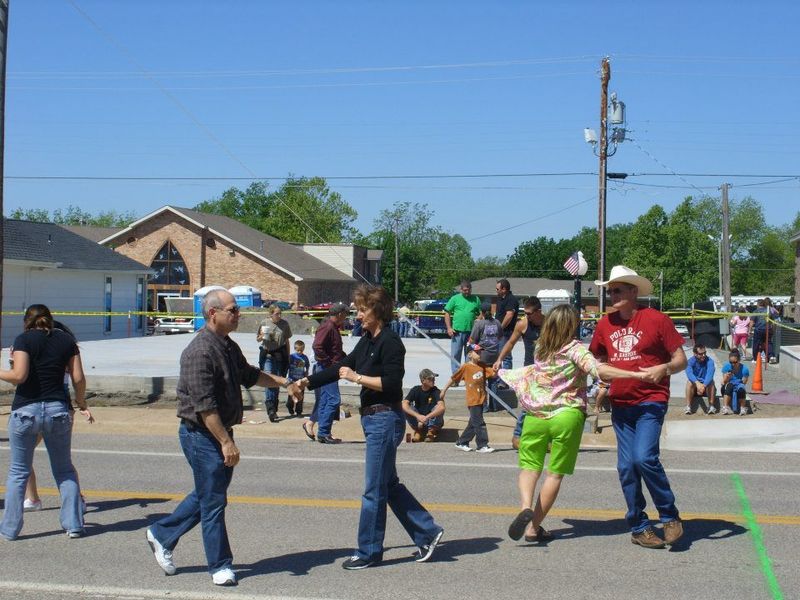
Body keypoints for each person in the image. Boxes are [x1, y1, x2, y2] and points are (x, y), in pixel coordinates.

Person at [145, 290, 298, 586]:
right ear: (213, 313)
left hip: (218, 432)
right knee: (214, 501)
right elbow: (204, 407)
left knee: (208, 495)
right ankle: (220, 565)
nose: (238, 314)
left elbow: (249, 375)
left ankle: (162, 533)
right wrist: (226, 442)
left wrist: (284, 382)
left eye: (237, 310)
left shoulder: (227, 345)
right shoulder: (199, 352)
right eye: (233, 310)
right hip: (201, 435)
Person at [292, 284, 444, 570]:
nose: (357, 314)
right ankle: (428, 531)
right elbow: (341, 367)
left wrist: (357, 378)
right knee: (388, 484)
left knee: (373, 489)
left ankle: (369, 552)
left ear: (377, 310)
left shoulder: (390, 342)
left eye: (362, 309)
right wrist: (305, 382)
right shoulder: (367, 340)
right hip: (373, 419)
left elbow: (391, 383)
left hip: (385, 419)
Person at [499, 305, 656, 543]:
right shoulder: (575, 349)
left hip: (535, 416)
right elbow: (600, 370)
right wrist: (637, 375)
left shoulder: (541, 347)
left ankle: (524, 506)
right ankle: (533, 528)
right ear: (572, 325)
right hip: (567, 415)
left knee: (530, 467)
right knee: (554, 474)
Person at [589, 265, 687, 549]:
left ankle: (669, 515)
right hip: (620, 403)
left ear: (634, 291)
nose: (611, 296)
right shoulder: (605, 324)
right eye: (609, 291)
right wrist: (599, 372)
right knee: (626, 466)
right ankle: (639, 526)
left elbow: (681, 360)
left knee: (644, 458)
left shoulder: (656, 319)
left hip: (650, 400)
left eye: (617, 290)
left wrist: (665, 368)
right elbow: (595, 357)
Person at [0, 304, 90, 540]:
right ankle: (73, 525)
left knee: (18, 471)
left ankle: (10, 529)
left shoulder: (23, 340)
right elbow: (78, 378)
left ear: (26, 322)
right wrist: (81, 403)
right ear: (50, 320)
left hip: (26, 411)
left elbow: (19, 376)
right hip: (57, 410)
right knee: (64, 470)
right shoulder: (66, 341)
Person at [23, 321, 94, 514]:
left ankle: (72, 499)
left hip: (49, 407)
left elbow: (77, 379)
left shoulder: (54, 353)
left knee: (29, 456)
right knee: (60, 462)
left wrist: (81, 404)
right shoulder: (57, 352)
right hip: (56, 407)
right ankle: (35, 498)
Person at [494, 297, 543, 448]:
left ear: (538, 311)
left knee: (545, 404)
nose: (526, 316)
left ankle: (544, 438)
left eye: (529, 313)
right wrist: (499, 359)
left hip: (547, 369)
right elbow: (510, 343)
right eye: (525, 313)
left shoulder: (549, 324)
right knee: (528, 403)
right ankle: (517, 436)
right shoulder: (522, 324)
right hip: (529, 369)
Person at [308, 303, 350, 444]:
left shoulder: (333, 327)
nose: (345, 318)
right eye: (345, 315)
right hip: (326, 369)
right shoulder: (328, 327)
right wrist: (329, 363)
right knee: (333, 400)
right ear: (339, 314)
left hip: (329, 367)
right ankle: (324, 432)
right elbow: (317, 346)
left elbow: (335, 350)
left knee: (326, 399)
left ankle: (323, 432)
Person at [440, 350, 496, 453]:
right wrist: (444, 390)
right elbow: (453, 378)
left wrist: (497, 368)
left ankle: (462, 442)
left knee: (473, 423)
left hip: (481, 399)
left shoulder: (482, 366)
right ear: (470, 354)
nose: (479, 354)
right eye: (477, 352)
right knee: (479, 423)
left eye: (480, 353)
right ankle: (482, 445)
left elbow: (492, 373)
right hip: (473, 399)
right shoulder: (466, 367)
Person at [256, 305, 292, 422]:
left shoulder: (284, 324)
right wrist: (261, 336)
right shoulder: (264, 322)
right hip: (267, 355)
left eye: (280, 313)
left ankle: (274, 408)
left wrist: (288, 356)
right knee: (269, 378)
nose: (279, 316)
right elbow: (258, 339)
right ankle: (270, 408)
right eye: (277, 314)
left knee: (277, 381)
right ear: (271, 314)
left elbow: (286, 341)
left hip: (280, 355)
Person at [469, 302, 504, 412]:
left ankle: (484, 406)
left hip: (482, 356)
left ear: (481, 312)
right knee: (493, 381)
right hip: (494, 355)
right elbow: (500, 336)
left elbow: (472, 341)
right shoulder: (497, 323)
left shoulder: (479, 324)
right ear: (491, 311)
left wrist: (472, 349)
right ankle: (494, 405)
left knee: (482, 382)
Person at [443, 280, 481, 375]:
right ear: (461, 290)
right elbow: (447, 312)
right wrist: (449, 328)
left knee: (470, 356)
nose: (467, 292)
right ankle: (456, 377)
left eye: (468, 290)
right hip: (457, 332)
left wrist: (479, 319)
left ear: (471, 289)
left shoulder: (476, 299)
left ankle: (468, 377)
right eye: (464, 290)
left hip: (471, 333)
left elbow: (481, 313)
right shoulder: (454, 299)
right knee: (455, 355)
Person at [402, 368, 446, 442]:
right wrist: (418, 416)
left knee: (438, 407)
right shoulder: (415, 390)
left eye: (434, 378)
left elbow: (442, 407)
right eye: (430, 379)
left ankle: (431, 431)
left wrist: (426, 417)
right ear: (423, 380)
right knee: (406, 407)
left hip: (432, 421)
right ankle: (418, 431)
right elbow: (404, 404)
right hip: (419, 421)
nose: (433, 380)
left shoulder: (436, 391)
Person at [494, 279, 519, 370]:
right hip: (499, 332)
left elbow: (509, 315)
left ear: (504, 289)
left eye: (497, 289)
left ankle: (504, 381)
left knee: (506, 356)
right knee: (498, 355)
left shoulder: (511, 299)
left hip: (506, 332)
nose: (496, 291)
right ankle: (498, 378)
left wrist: (500, 328)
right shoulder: (500, 298)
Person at [684, 344, 716, 415]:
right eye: (701, 354)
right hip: (695, 386)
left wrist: (703, 386)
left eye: (705, 353)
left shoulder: (710, 361)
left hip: (705, 386)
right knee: (689, 382)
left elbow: (710, 374)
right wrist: (697, 383)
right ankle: (688, 407)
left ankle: (711, 406)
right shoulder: (690, 361)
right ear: (695, 354)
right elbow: (689, 373)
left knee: (711, 382)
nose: (703, 355)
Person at [721, 349, 750, 415]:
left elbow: (743, 383)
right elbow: (723, 382)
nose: (733, 364)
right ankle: (725, 407)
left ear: (739, 361)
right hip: (729, 385)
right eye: (731, 362)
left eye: (735, 362)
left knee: (741, 389)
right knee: (729, 386)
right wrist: (728, 377)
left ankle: (743, 408)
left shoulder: (745, 369)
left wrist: (737, 385)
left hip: (739, 384)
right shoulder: (726, 367)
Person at [287, 340, 310, 418]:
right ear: (295, 349)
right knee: (291, 395)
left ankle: (299, 411)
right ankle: (289, 406)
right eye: (298, 350)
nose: (300, 352)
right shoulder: (292, 357)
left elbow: (307, 366)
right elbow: (287, 366)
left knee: (300, 395)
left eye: (301, 350)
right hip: (292, 380)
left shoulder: (305, 357)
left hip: (300, 380)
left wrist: (306, 374)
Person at [751, 299, 775, 365]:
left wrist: (749, 330)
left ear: (758, 304)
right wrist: (773, 330)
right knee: (768, 343)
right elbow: (773, 322)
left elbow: (752, 322)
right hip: (768, 329)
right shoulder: (769, 311)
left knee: (756, 344)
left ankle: (755, 358)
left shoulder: (756, 311)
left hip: (759, 330)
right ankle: (771, 356)